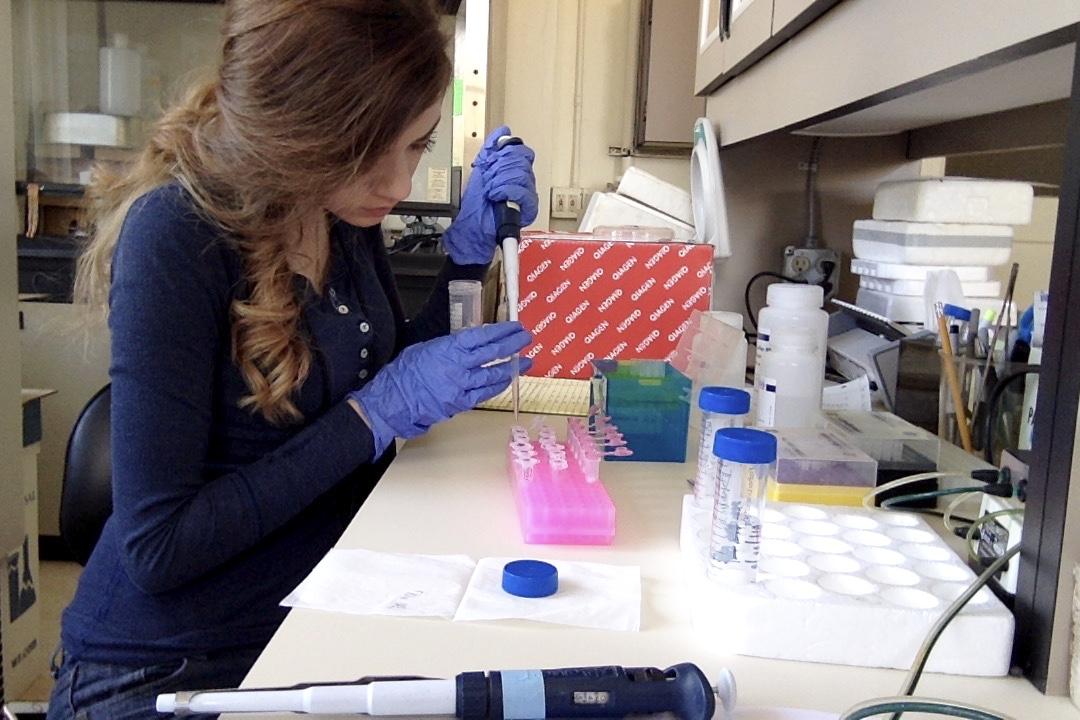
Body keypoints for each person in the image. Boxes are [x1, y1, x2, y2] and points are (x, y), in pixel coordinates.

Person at [46, 2, 537, 718]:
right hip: (170, 666)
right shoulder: (175, 236)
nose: (398, 184)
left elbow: (387, 376)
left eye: (416, 145)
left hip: (306, 614)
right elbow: (158, 548)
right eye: (366, 150)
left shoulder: (340, 210)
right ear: (296, 130)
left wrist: (466, 259)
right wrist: (376, 413)